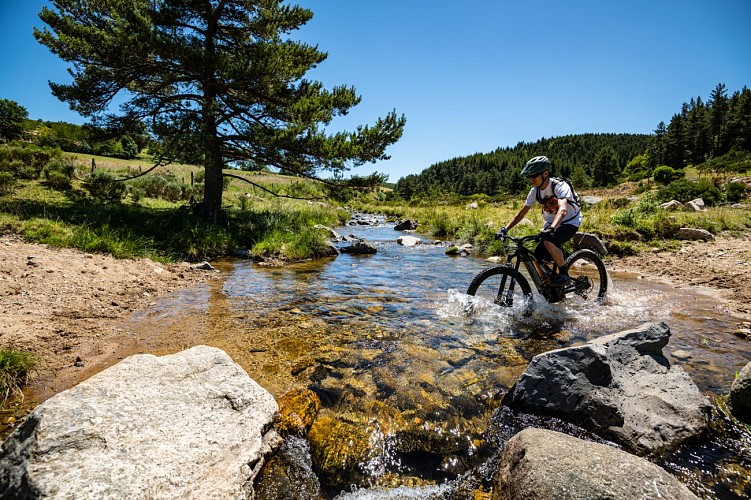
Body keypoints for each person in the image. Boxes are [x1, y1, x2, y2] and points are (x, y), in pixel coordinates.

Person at [499, 155, 582, 285]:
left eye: (534, 176)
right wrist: (505, 229)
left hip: (569, 221)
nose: (531, 179)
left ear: (545, 173)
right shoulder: (534, 192)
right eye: (529, 176)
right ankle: (548, 285)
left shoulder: (559, 186)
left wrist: (551, 228)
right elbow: (521, 214)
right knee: (535, 257)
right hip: (551, 223)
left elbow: (562, 210)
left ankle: (564, 274)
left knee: (549, 242)